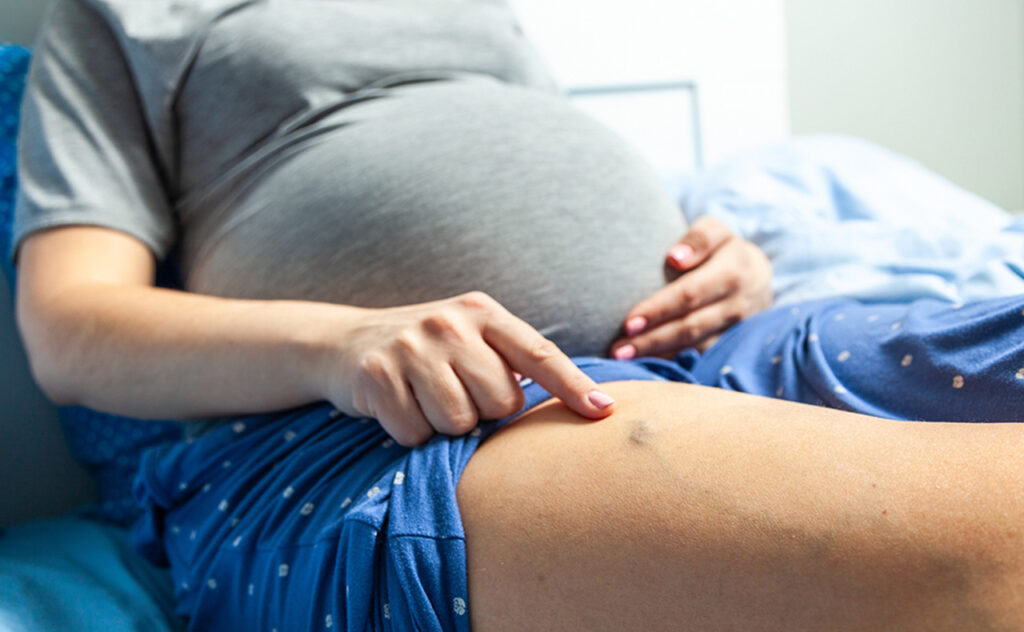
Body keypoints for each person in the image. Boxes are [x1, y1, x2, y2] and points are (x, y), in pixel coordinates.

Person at [11, 1, 1024, 630]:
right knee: (983, 551)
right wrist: (343, 339)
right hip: (376, 441)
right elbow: (73, 327)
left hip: (699, 343)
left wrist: (722, 254)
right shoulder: (122, 19)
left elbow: (544, 168)